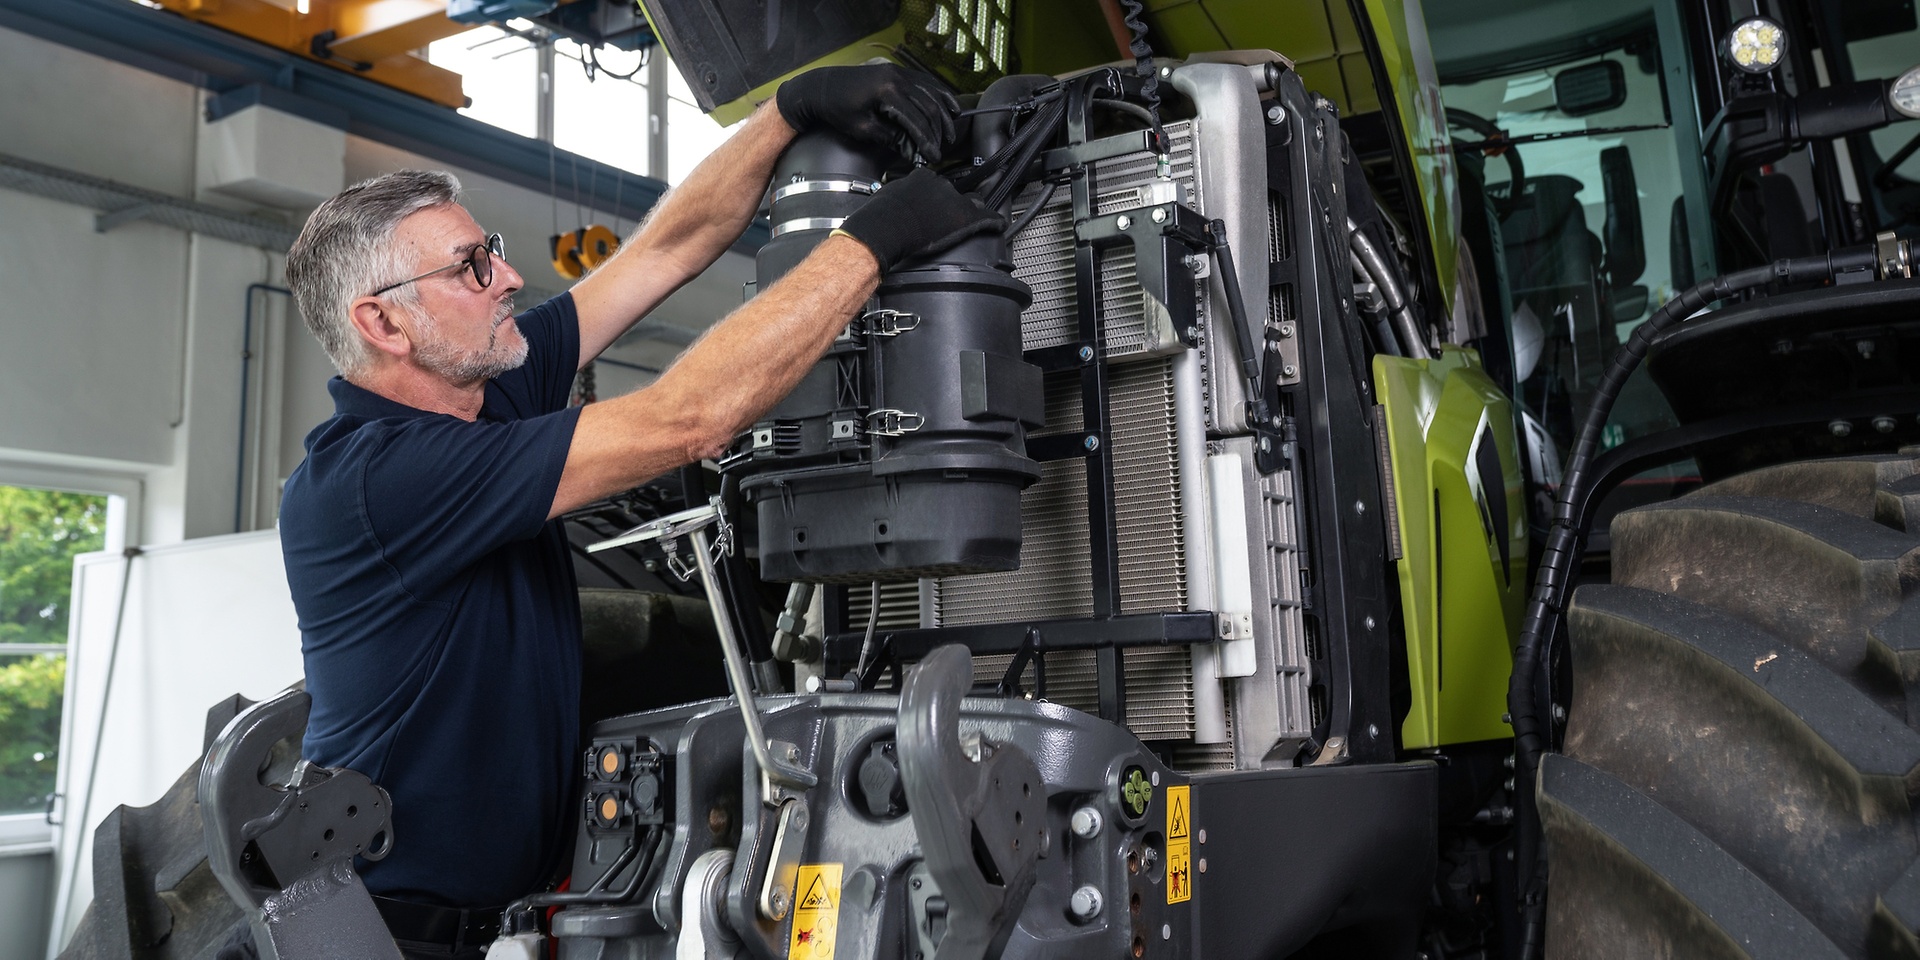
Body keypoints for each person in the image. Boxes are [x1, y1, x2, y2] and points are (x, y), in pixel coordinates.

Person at [268, 63, 1000, 958]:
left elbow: (661, 252)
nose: (508, 277)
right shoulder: (375, 482)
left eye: (487, 247)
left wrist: (787, 110)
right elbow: (688, 418)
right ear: (384, 326)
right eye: (470, 267)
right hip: (390, 937)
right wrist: (878, 241)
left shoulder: (482, 390)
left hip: (507, 920)